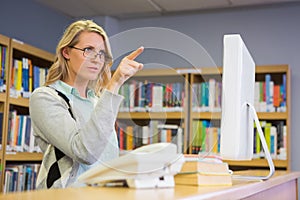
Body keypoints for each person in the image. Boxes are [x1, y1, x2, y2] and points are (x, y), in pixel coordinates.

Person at [29, 19, 144, 189]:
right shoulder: (46, 97)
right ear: (66, 52)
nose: (97, 59)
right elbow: (84, 152)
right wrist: (115, 83)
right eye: (88, 50)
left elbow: (108, 160)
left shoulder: (98, 102)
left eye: (101, 53)